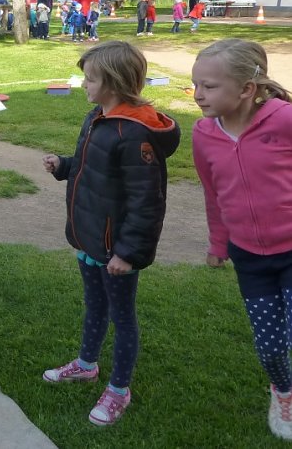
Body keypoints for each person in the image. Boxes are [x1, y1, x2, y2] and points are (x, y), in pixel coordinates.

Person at [41, 41, 181, 427]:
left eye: (90, 79)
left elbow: (146, 202)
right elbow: (93, 168)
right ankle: (86, 365)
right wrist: (63, 165)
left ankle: (119, 389)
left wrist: (128, 253)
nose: (83, 84)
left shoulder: (135, 134)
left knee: (122, 316)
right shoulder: (97, 117)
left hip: (116, 250)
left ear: (114, 83)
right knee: (94, 305)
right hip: (89, 239)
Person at [191, 39, 292, 441]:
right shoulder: (203, 133)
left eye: (209, 86)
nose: (198, 95)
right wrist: (218, 244)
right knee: (270, 346)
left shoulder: (284, 120)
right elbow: (212, 193)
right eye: (196, 85)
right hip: (249, 258)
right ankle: (283, 392)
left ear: (247, 89)